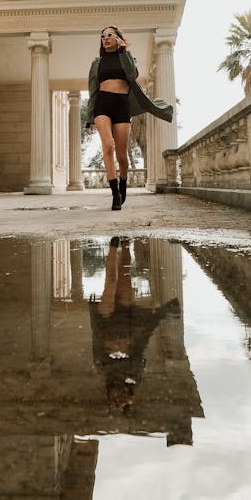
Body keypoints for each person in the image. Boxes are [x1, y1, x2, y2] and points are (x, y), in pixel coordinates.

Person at [90, 236, 180, 416]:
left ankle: (113, 247)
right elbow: (141, 345)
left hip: (107, 325)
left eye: (114, 400)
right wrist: (157, 316)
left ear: (109, 396)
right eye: (121, 401)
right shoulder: (135, 378)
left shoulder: (105, 374)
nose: (118, 398)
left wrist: (94, 317)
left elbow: (97, 343)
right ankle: (125, 245)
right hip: (126, 322)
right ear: (128, 398)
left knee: (111, 281)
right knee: (124, 274)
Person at [86, 25, 174, 211]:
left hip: (121, 105)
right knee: (107, 147)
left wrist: (125, 50)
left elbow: (132, 75)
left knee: (121, 155)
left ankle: (123, 181)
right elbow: (93, 90)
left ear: (118, 38)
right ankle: (115, 194)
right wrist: (89, 115)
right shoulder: (97, 62)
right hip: (102, 103)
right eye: (103, 36)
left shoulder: (127, 57)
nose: (105, 38)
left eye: (110, 35)